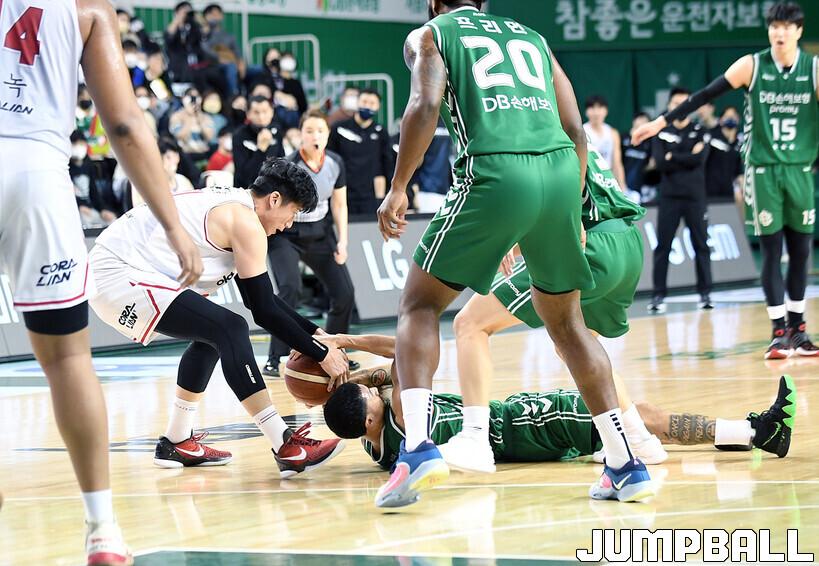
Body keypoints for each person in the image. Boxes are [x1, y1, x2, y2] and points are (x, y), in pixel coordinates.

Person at [376, 0, 651, 509]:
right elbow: (575, 128)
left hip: (495, 172)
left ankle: (416, 449)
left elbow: (424, 105)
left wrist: (398, 187)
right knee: (568, 323)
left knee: (419, 306)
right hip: (562, 175)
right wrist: (572, 203)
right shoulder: (532, 37)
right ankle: (624, 462)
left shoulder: (432, 33)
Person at [0, 0, 203, 563]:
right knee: (68, 361)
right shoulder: (88, 8)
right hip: (39, 177)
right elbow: (124, 124)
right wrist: (173, 224)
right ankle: (102, 530)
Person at [88, 158, 349, 476]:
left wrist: (316, 335)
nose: (289, 224)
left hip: (117, 269)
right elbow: (264, 311)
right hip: (118, 272)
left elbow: (261, 301)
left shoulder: (238, 209)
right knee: (229, 327)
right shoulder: (245, 222)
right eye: (292, 213)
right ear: (274, 199)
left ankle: (176, 440)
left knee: (213, 333)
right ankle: (285, 445)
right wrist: (320, 353)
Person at [441, 143, 668, 471]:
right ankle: (639, 439)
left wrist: (505, 239)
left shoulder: (532, 135)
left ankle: (475, 438)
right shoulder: (568, 131)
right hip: (626, 242)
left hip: (589, 246)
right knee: (575, 347)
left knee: (470, 324)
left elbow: (538, 197)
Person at [632, 2, 818, 360]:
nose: (779, 32)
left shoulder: (813, 69)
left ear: (798, 31)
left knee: (801, 252)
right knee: (772, 251)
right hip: (764, 170)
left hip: (800, 169)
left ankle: (799, 329)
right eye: (774, 26)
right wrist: (661, 122)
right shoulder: (752, 65)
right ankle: (779, 332)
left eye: (786, 26)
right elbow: (704, 96)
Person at [321, 338, 796, 468]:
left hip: (521, 425)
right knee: (636, 415)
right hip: (527, 425)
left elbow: (391, 373)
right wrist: (348, 345)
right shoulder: (403, 417)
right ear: (370, 417)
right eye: (370, 394)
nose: (376, 388)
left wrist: (352, 382)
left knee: (635, 415)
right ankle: (757, 432)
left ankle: (747, 433)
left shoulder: (375, 444)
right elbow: (406, 346)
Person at [263, 111, 357, 377]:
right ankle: (275, 358)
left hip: (320, 234)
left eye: (320, 131)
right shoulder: (289, 165)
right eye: (309, 131)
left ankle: (335, 350)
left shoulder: (335, 162)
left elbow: (339, 204)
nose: (315, 136)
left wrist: (343, 241)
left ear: (328, 135)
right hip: (286, 234)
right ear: (300, 135)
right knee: (289, 289)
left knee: (345, 293)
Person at [646, 87, 713, 313]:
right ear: (669, 106)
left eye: (686, 103)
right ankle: (658, 295)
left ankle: (705, 293)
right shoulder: (662, 131)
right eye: (676, 104)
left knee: (701, 245)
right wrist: (687, 155)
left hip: (695, 197)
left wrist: (673, 155)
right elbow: (660, 162)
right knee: (663, 246)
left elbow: (700, 159)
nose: (681, 108)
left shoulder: (701, 131)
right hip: (669, 198)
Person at [328, 89, 393, 216]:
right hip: (343, 193)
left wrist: (385, 195)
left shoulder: (381, 132)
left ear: (378, 106)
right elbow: (330, 160)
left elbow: (387, 165)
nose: (367, 106)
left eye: (372, 103)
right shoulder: (339, 128)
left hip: (370, 197)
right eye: (364, 101)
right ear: (357, 102)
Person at [232, 95, 285, 188]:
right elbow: (243, 176)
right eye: (256, 112)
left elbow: (282, 161)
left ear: (272, 112)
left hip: (273, 188)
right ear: (248, 114)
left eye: (265, 111)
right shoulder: (239, 135)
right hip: (246, 189)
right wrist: (260, 150)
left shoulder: (276, 131)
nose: (261, 117)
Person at [584, 95, 627, 190]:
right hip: (589, 181)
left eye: (600, 107)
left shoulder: (613, 133)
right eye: (592, 108)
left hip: (608, 181)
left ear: (606, 111)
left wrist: (622, 187)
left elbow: (617, 163)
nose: (596, 112)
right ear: (586, 112)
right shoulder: (582, 132)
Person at [202, 3, 243, 96]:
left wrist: (241, 64)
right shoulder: (203, 34)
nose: (214, 17)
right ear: (205, 17)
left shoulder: (229, 36)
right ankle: (233, 96)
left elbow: (237, 53)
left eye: (217, 14)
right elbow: (204, 49)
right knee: (231, 67)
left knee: (258, 69)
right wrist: (219, 58)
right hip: (212, 65)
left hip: (231, 62)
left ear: (221, 16)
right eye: (211, 14)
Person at [705, 106, 744, 201]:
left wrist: (742, 188)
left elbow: (739, 170)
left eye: (733, 116)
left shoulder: (739, 143)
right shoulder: (711, 138)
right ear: (721, 120)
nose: (730, 119)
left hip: (729, 192)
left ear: (738, 120)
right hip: (710, 191)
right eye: (727, 116)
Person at [169, 87, 216, 160]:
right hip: (185, 155)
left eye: (196, 96)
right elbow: (180, 136)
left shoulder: (206, 117)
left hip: (203, 155)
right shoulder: (177, 116)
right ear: (183, 99)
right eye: (190, 96)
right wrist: (189, 117)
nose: (193, 99)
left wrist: (199, 119)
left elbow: (209, 137)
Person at [622, 112, 654, 197]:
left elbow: (652, 164)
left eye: (645, 121)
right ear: (634, 121)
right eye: (640, 120)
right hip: (622, 186)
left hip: (641, 188)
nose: (641, 124)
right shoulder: (623, 138)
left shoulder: (650, 142)